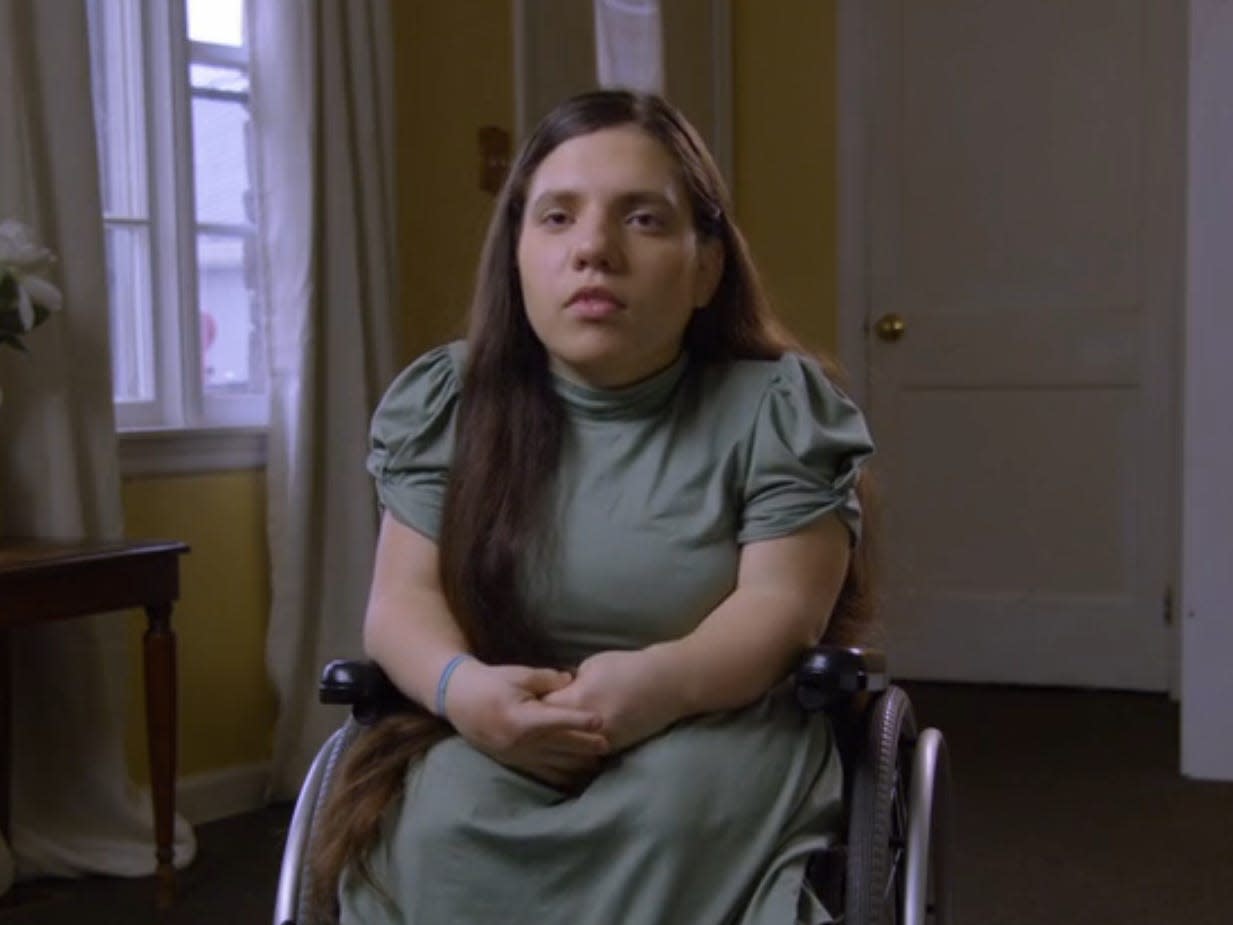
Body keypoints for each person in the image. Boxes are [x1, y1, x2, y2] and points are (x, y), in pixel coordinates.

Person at [314, 89, 876, 925]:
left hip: (706, 719)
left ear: (705, 266)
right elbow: (402, 601)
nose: (593, 251)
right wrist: (463, 691)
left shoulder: (778, 410)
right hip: (500, 722)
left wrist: (660, 682)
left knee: (673, 808)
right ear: (515, 254)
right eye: (556, 219)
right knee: (441, 818)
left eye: (642, 220)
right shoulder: (449, 403)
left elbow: (781, 606)